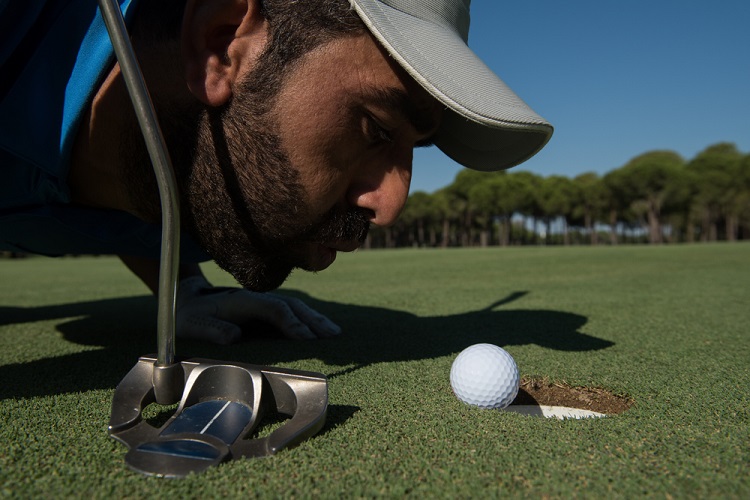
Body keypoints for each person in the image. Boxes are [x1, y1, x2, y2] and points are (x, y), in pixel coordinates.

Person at [0, 0, 552, 344]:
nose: (391, 205)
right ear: (220, 42)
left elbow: (143, 174)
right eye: (377, 130)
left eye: (416, 149)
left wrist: (181, 290)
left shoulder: (195, 173)